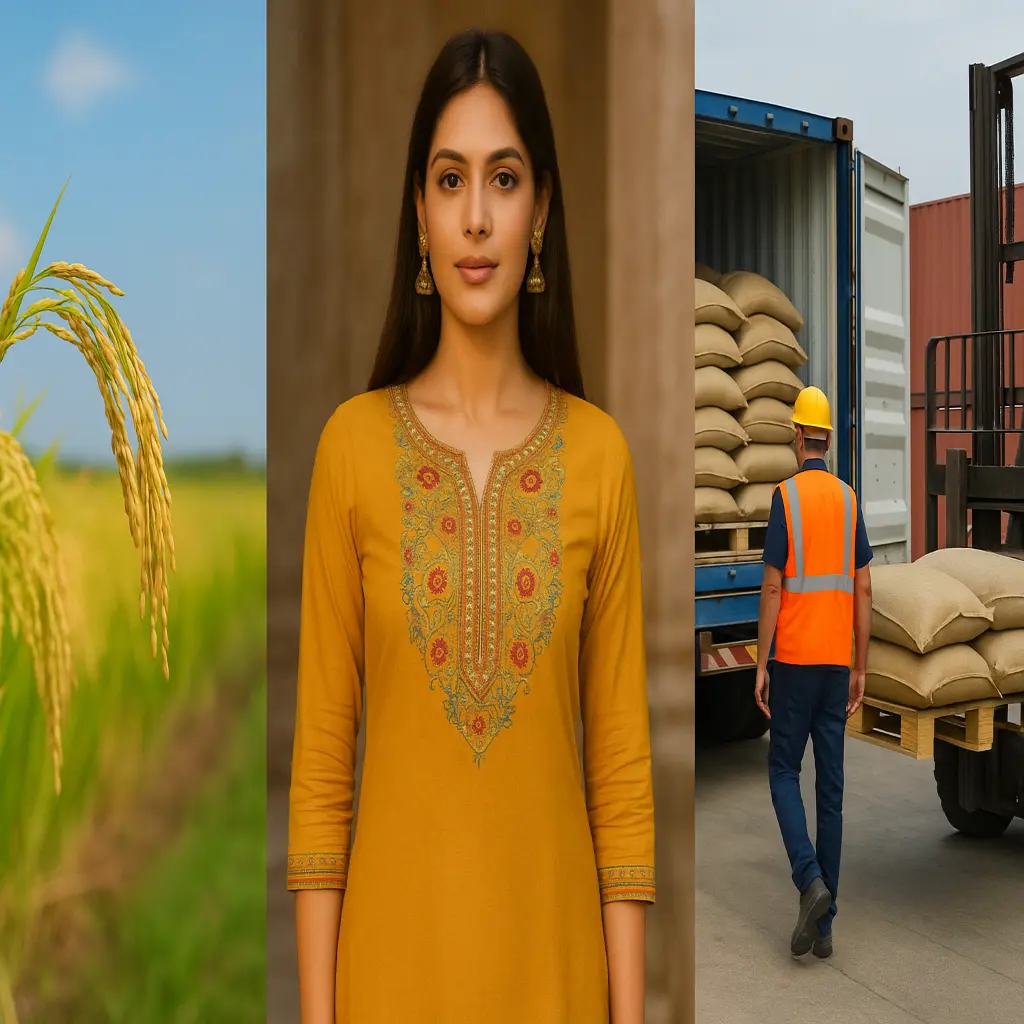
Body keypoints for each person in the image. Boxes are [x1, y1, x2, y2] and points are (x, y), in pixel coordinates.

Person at [286, 29, 656, 1024]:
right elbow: (322, 779)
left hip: (556, 981)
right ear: (418, 211)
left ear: (541, 211)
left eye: (504, 178)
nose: (477, 217)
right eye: (450, 181)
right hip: (387, 984)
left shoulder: (599, 458)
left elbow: (619, 783)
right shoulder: (352, 450)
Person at [753, 385, 872, 960]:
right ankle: (825, 930)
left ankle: (809, 881)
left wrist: (760, 661)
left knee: (781, 773)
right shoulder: (850, 500)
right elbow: (865, 584)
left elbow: (774, 585)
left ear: (798, 436)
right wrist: (861, 666)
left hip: (795, 661)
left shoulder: (786, 498)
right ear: (829, 436)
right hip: (835, 663)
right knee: (831, 791)